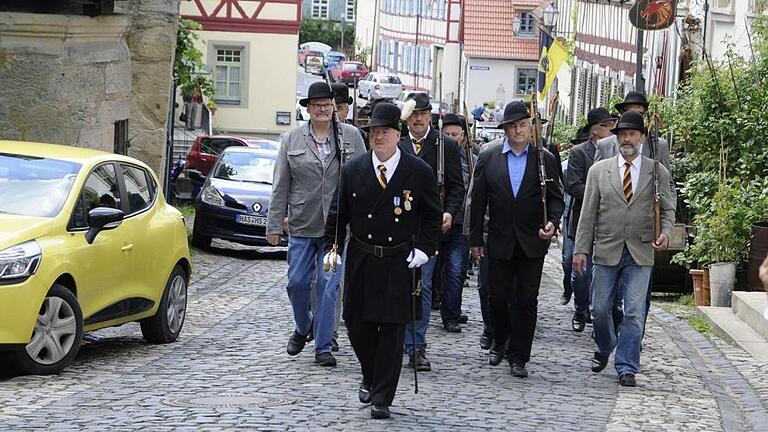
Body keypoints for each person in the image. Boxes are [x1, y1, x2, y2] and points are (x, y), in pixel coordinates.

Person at [324, 102, 441, 419]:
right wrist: (331, 247)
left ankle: (382, 397)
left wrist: (426, 249)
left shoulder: (418, 172)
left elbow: (432, 216)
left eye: (384, 131)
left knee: (392, 329)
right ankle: (370, 374)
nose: (378, 136)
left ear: (398, 134)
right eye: (374, 131)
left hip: (398, 260)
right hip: (362, 256)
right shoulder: (354, 170)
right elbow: (338, 215)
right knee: (358, 326)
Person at [573, 110, 676, 387]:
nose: (626, 138)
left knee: (633, 311)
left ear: (642, 137)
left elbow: (668, 208)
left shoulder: (657, 171)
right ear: (616, 138)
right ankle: (605, 345)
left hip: (641, 250)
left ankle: (627, 365)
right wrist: (580, 249)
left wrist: (665, 233)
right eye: (622, 134)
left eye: (632, 133)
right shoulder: (599, 171)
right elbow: (587, 214)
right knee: (599, 308)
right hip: (606, 247)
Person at [266, 81, 366, 367]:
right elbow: (280, 185)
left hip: (335, 228)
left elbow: (361, 181)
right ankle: (303, 326)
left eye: (327, 105)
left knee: (328, 287)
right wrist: (274, 226)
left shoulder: (350, 137)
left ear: (334, 107)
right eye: (317, 105)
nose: (323, 109)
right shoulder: (292, 140)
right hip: (301, 223)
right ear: (308, 109)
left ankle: (323, 347)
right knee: (297, 283)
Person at [469, 101, 564, 378]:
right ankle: (500, 341)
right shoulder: (490, 157)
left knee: (526, 300)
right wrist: (475, 239)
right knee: (496, 298)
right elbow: (478, 202)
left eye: (523, 125)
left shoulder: (544, 159)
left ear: (531, 128)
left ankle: (519, 355)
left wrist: (552, 222)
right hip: (498, 239)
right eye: (513, 126)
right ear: (505, 130)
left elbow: (557, 200)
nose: (519, 130)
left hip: (531, 241)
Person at [398, 92, 464, 371]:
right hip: (398, 227)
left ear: (430, 116)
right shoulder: (396, 143)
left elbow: (457, 185)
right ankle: (396, 339)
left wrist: (449, 211)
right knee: (397, 287)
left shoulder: (445, 146)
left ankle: (417, 346)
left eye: (423, 114)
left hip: (428, 227)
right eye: (413, 114)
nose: (418, 119)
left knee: (421, 286)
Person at [565, 107, 616, 332]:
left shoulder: (618, 151)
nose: (612, 130)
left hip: (608, 222)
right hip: (583, 216)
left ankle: (599, 314)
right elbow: (573, 184)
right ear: (596, 130)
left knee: (602, 271)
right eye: (607, 126)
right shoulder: (579, 152)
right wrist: (599, 194)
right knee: (578, 268)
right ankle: (580, 308)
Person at [439, 113, 476, 333]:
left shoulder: (474, 159)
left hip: (460, 224)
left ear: (463, 136)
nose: (452, 138)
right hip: (434, 223)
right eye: (447, 135)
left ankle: (451, 314)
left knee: (455, 271)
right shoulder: (433, 154)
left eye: (455, 134)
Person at [560, 125, 590, 307]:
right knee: (567, 258)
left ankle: (584, 305)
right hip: (570, 214)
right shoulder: (566, 166)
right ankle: (568, 288)